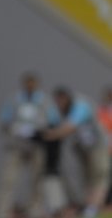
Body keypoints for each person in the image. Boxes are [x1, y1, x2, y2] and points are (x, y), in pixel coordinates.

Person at [0, 74, 56, 218]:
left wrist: (41, 133)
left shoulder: (44, 100)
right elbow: (5, 121)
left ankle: (35, 209)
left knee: (37, 179)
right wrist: (12, 133)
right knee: (8, 179)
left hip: (36, 144)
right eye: (28, 83)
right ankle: (2, 211)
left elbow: (52, 121)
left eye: (33, 84)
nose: (30, 86)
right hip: (17, 144)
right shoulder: (14, 99)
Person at [44, 87, 110, 218]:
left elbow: (69, 127)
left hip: (97, 146)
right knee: (86, 179)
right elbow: (53, 123)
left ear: (67, 98)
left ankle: (92, 209)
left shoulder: (80, 105)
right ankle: (88, 207)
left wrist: (49, 135)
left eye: (61, 100)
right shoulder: (59, 109)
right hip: (82, 149)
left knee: (99, 178)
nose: (59, 104)